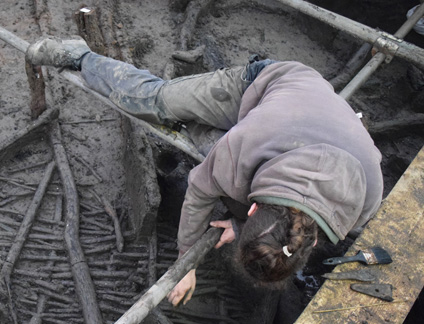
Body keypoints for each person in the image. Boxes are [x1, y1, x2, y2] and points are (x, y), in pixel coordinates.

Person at [26, 37, 383, 306]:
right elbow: (199, 190)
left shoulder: (365, 199)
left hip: (313, 109)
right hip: (268, 83)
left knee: (221, 169)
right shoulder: (241, 149)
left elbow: (278, 220)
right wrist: (186, 262)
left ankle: (232, 188)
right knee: (159, 103)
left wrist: (242, 225)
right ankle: (81, 55)